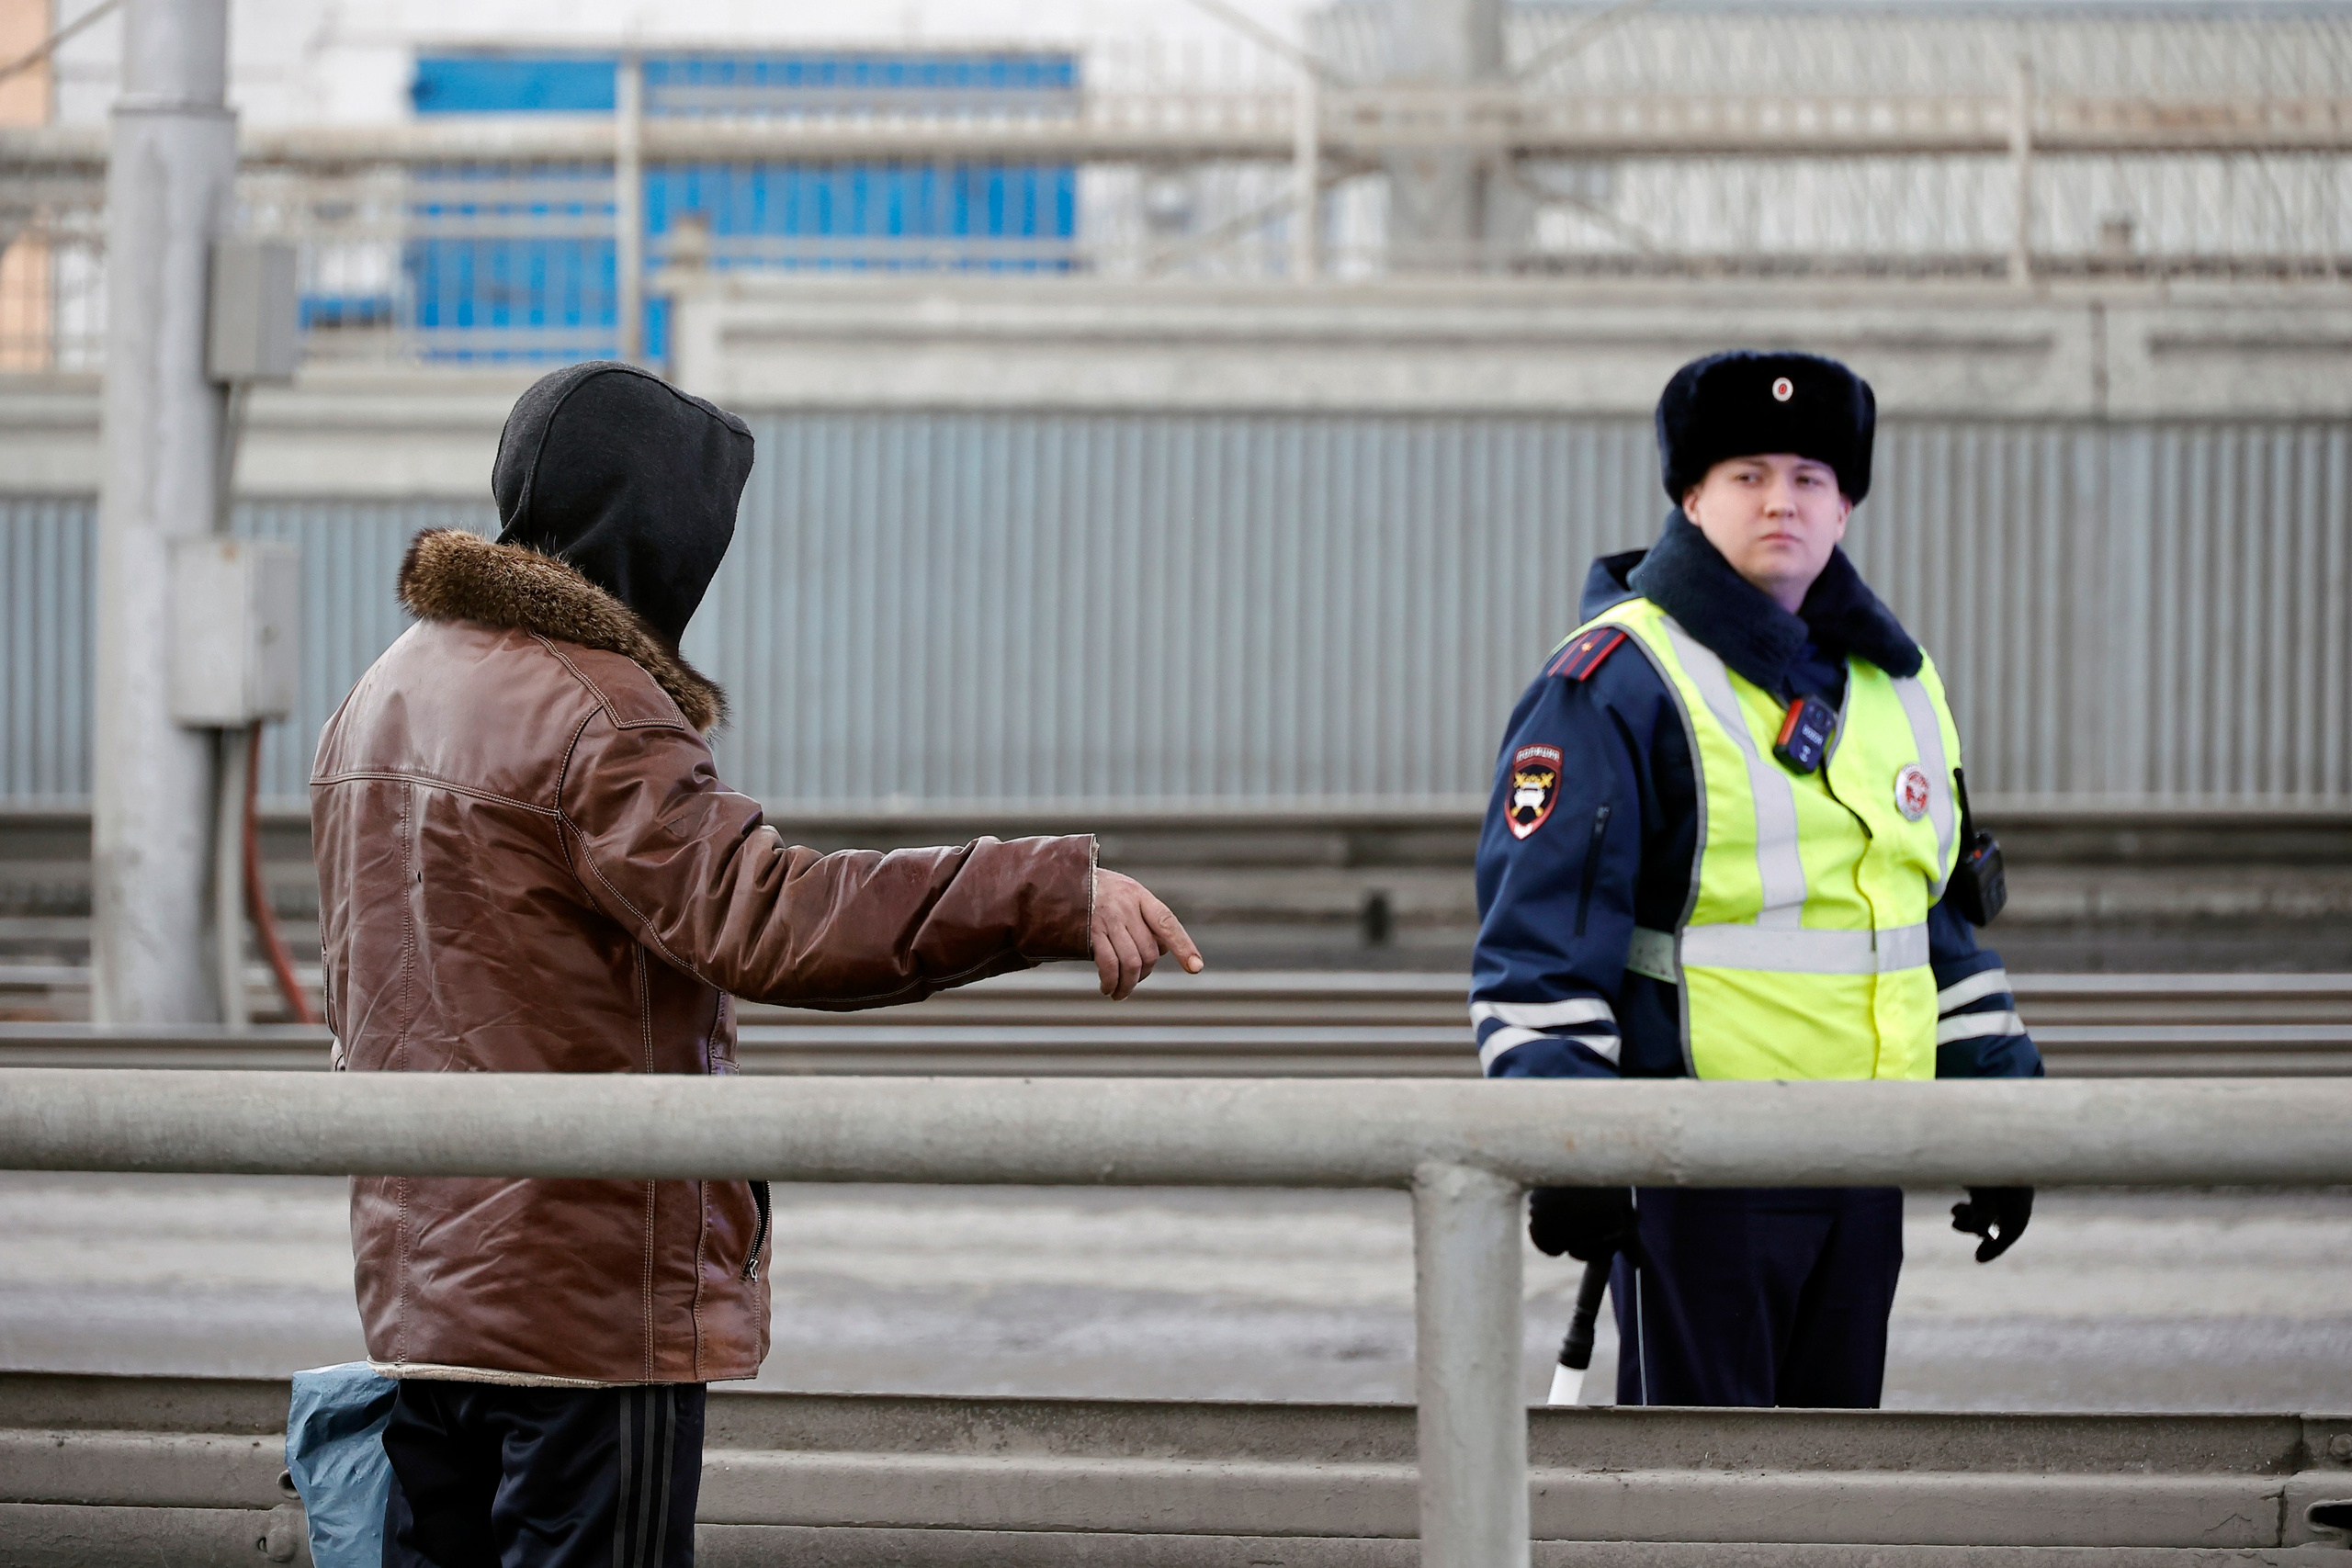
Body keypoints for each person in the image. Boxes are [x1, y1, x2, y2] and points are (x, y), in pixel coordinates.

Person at [311, 360, 1202, 1567]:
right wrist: (1041, 890)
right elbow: (773, 913)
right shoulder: (601, 715)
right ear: (652, 528)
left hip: (424, 1295)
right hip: (583, 1300)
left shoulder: (384, 689)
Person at [1468, 350, 2041, 1410]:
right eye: (1746, 475)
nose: (1781, 501)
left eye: (1810, 478)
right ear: (1691, 497)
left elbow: (1934, 933)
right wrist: (1573, 1150)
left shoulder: (1898, 687)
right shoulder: (1615, 679)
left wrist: (2007, 1119)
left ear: (1848, 505)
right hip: (1699, 1172)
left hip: (1865, 1164)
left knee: (1823, 1493)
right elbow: (1536, 954)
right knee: (1699, 1504)